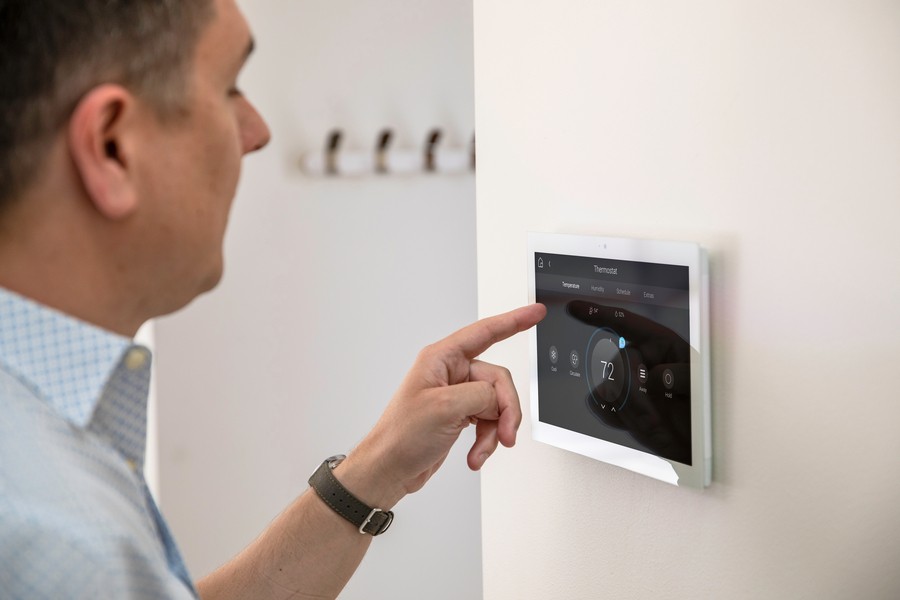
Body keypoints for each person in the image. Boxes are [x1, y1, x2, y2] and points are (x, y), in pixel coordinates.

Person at [0, 0, 545, 598]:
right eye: (229, 87)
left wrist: (374, 470)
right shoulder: (55, 536)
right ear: (112, 147)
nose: (257, 132)